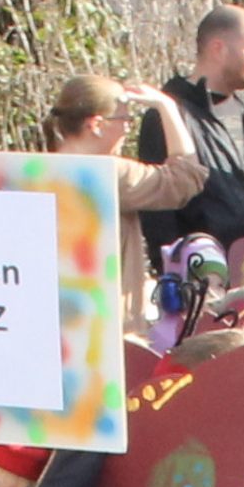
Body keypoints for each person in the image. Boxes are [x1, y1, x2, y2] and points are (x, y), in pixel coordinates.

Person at [40, 76, 209, 322]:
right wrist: (167, 107)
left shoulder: (36, 171)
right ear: (96, 124)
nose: (128, 129)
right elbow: (187, 178)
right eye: (124, 120)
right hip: (107, 327)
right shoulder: (109, 175)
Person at [138, 7, 244, 261]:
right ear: (218, 48)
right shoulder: (169, 114)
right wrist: (180, 280)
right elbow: (158, 214)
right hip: (198, 283)